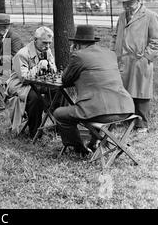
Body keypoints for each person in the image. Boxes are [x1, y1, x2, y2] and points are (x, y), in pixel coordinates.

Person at [54, 25, 135, 157]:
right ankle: (94, 142)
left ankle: (80, 150)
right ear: (93, 41)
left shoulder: (78, 56)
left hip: (101, 113)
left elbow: (65, 79)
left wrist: (72, 55)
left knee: (60, 113)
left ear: (77, 44)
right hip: (125, 109)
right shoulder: (110, 53)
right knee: (94, 107)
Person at [111, 0, 158, 133]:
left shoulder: (150, 16)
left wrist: (146, 57)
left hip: (140, 60)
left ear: (138, 0)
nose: (127, 6)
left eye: (130, 3)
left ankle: (142, 124)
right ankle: (127, 119)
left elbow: (156, 41)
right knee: (123, 91)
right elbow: (115, 35)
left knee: (141, 92)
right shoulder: (122, 16)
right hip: (122, 60)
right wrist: (113, 52)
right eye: (124, 3)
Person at [5, 26, 57, 138]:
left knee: (60, 92)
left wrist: (51, 68)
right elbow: (24, 78)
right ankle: (35, 133)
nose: (47, 46)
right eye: (44, 43)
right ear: (35, 40)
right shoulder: (22, 54)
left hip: (39, 84)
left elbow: (54, 68)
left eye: (49, 43)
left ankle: (60, 125)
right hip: (20, 85)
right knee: (35, 98)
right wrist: (38, 67)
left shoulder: (47, 50)